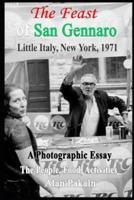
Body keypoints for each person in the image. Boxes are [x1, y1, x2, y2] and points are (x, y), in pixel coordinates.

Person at [2, 84, 63, 200]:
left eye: (24, 99)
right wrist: (55, 191)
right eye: (16, 101)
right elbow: (30, 166)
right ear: (6, 104)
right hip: (20, 190)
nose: (22, 104)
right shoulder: (16, 126)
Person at [60, 56, 128, 137]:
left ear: (95, 86)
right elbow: (66, 89)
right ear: (80, 86)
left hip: (96, 141)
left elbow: (119, 101)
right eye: (85, 84)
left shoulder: (102, 96)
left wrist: (124, 116)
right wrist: (72, 71)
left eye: (91, 84)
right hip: (76, 140)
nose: (88, 86)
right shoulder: (76, 95)